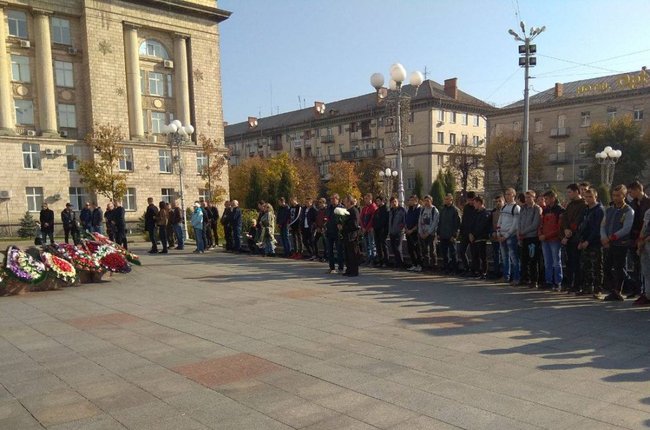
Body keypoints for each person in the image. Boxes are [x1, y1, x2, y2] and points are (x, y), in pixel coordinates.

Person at [601, 184, 634, 301]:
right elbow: (603, 225)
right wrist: (604, 238)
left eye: (618, 195)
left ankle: (617, 291)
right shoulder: (609, 210)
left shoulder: (628, 211)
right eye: (613, 195)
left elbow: (626, 228)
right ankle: (613, 289)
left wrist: (611, 238)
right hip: (609, 244)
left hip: (621, 244)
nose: (615, 198)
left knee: (619, 268)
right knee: (606, 268)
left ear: (624, 196)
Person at [577, 188, 605, 297]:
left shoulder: (599, 210)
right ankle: (587, 287)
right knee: (586, 266)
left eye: (590, 197)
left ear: (595, 197)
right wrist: (581, 240)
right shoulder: (586, 209)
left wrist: (588, 241)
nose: (588, 199)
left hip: (595, 243)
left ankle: (598, 289)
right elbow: (582, 226)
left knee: (597, 267)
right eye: (586, 197)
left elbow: (597, 228)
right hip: (585, 241)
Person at [561, 184, 587, 293]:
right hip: (569, 237)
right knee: (570, 262)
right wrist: (566, 229)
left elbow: (579, 220)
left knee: (577, 263)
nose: (568, 194)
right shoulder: (570, 205)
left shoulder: (583, 205)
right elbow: (565, 218)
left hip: (577, 237)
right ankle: (569, 283)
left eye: (570, 192)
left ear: (577, 192)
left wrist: (570, 232)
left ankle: (577, 284)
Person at [628, 181, 650, 302]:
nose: (630, 194)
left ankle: (645, 291)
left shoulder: (648, 203)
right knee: (638, 265)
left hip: (645, 236)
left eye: (631, 191)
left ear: (637, 189)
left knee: (646, 267)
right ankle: (638, 289)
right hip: (635, 237)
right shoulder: (633, 203)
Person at [539, 190, 565, 290]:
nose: (545, 201)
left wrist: (546, 236)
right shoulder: (545, 210)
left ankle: (558, 282)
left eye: (547, 199)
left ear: (553, 198)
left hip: (554, 239)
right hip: (545, 239)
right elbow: (541, 224)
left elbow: (559, 228)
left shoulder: (560, 210)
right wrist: (540, 234)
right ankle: (548, 281)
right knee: (547, 262)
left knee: (556, 261)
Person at [518, 190, 542, 288]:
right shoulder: (523, 208)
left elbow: (535, 224)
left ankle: (534, 280)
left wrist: (523, 232)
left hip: (532, 237)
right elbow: (519, 221)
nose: (527, 199)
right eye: (526, 197)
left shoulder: (537, 209)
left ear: (534, 198)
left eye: (529, 197)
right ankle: (524, 278)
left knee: (533, 259)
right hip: (523, 238)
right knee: (524, 259)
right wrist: (519, 232)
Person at [497, 188, 520, 285]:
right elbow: (500, 220)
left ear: (513, 195)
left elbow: (515, 225)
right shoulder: (504, 207)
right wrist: (498, 232)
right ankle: (506, 276)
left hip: (511, 236)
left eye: (509, 194)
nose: (506, 196)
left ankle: (516, 278)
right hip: (502, 234)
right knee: (504, 257)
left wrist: (506, 235)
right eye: (506, 194)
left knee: (514, 258)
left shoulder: (516, 208)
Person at [469, 195, 492, 279]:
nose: (473, 205)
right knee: (475, 255)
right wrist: (470, 233)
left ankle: (484, 272)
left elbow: (482, 226)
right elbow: (472, 224)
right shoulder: (475, 213)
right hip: (474, 238)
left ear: (479, 203)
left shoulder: (486, 213)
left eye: (475, 203)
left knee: (482, 256)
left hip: (481, 237)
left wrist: (474, 235)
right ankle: (477, 271)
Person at [438, 194, 461, 274]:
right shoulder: (443, 210)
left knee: (453, 253)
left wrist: (454, 235)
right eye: (445, 199)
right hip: (443, 235)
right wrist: (438, 233)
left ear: (451, 200)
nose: (446, 200)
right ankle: (446, 268)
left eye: (447, 199)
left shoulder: (455, 210)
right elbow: (440, 222)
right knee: (444, 254)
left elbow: (457, 224)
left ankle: (455, 269)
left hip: (451, 236)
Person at [340, 195, 361, 276]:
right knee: (347, 254)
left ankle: (354, 271)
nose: (344, 203)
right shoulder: (347, 211)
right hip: (347, 235)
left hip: (352, 236)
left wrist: (344, 226)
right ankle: (348, 269)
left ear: (349, 202)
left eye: (345, 201)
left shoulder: (354, 211)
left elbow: (355, 224)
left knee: (353, 254)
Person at [418, 195, 439, 271]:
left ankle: (434, 265)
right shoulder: (423, 209)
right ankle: (426, 265)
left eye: (428, 201)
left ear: (431, 201)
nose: (426, 202)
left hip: (431, 234)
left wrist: (428, 233)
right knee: (424, 250)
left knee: (432, 250)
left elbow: (434, 223)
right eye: (425, 201)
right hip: (423, 233)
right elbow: (419, 221)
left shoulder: (434, 210)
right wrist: (420, 232)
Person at [325, 194, 344, 274]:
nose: (332, 200)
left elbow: (343, 219)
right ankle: (331, 267)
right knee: (330, 251)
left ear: (337, 199)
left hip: (337, 232)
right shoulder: (329, 208)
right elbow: (327, 218)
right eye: (331, 199)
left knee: (339, 250)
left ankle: (340, 268)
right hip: (329, 231)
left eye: (333, 199)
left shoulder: (341, 208)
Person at [459, 191, 477, 274]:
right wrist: (461, 231)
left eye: (472, 200)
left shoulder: (477, 208)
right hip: (465, 233)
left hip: (473, 234)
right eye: (469, 200)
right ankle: (467, 268)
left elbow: (475, 222)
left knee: (474, 253)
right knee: (461, 251)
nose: (470, 202)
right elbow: (464, 220)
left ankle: (474, 270)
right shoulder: (466, 207)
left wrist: (472, 233)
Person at [637, 199, 650, 306]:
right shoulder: (648, 212)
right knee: (646, 271)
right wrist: (640, 241)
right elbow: (644, 228)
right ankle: (647, 294)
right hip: (645, 245)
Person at [405, 195, 423, 272]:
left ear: (416, 201)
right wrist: (406, 229)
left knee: (417, 249)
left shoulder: (419, 209)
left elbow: (419, 222)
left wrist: (412, 230)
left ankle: (419, 265)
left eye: (411, 200)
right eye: (409, 200)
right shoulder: (409, 209)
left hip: (415, 233)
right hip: (408, 232)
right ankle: (414, 264)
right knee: (410, 249)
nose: (410, 202)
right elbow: (406, 219)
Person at [388, 196, 406, 269]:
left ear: (398, 202)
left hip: (399, 232)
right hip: (392, 232)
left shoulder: (401, 210)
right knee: (393, 248)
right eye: (392, 202)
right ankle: (397, 262)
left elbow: (404, 221)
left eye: (395, 201)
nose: (394, 203)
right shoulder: (391, 211)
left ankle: (401, 263)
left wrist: (401, 228)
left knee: (398, 248)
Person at [360, 193, 378, 266]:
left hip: (370, 229)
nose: (365, 200)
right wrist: (363, 227)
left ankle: (373, 260)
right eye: (364, 199)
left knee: (372, 245)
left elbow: (372, 219)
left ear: (370, 199)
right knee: (366, 244)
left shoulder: (373, 207)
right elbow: (361, 218)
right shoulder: (364, 208)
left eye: (366, 199)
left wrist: (367, 228)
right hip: (365, 229)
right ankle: (368, 259)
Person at [372, 196, 389, 268]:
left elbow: (384, 221)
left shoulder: (386, 209)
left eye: (379, 201)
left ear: (382, 201)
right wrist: (374, 226)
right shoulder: (377, 210)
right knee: (378, 246)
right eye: (377, 201)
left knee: (384, 246)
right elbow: (374, 220)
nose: (377, 202)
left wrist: (380, 227)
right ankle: (380, 260)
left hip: (383, 230)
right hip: (376, 231)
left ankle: (386, 261)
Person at [490, 195, 504, 278]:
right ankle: (496, 273)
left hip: (503, 236)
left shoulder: (505, 211)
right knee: (496, 255)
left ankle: (504, 274)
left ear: (503, 202)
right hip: (494, 237)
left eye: (499, 201)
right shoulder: (493, 212)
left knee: (504, 256)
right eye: (496, 202)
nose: (498, 203)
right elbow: (489, 224)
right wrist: (492, 232)